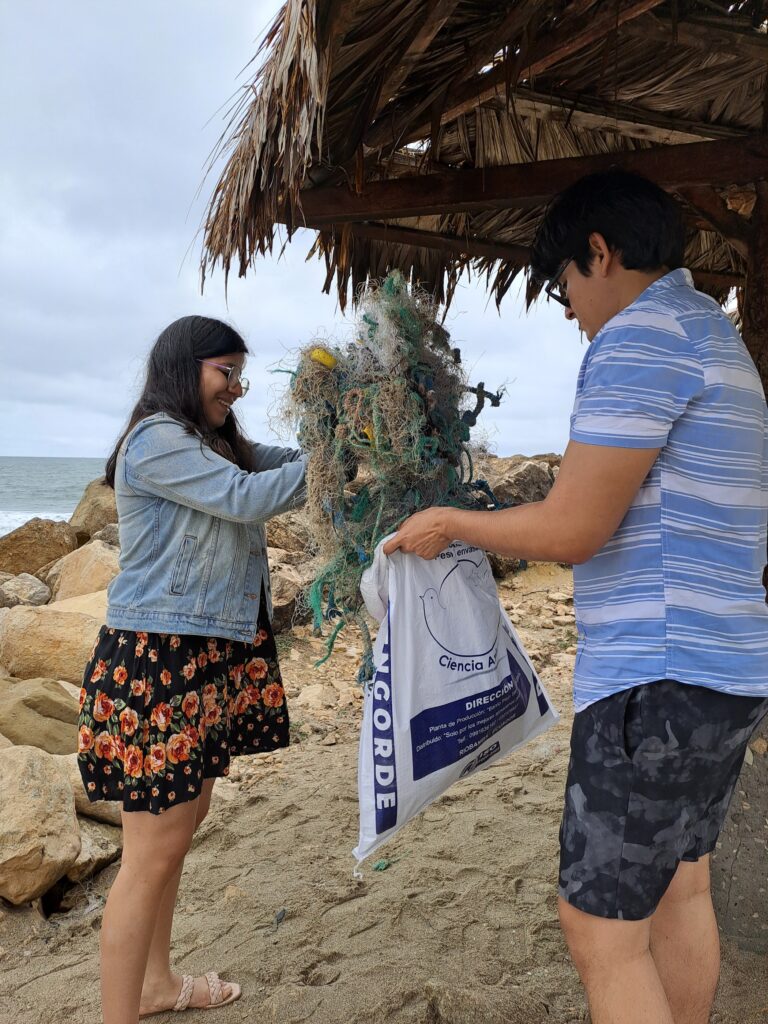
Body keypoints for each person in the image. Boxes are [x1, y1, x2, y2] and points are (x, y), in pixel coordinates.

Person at [384, 170, 768, 1024]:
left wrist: (454, 521)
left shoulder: (639, 338)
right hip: (727, 668)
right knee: (680, 890)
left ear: (601, 253)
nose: (566, 309)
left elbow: (574, 529)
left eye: (563, 283)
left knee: (599, 928)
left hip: (655, 678)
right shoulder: (714, 333)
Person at [77, 316, 307, 1023]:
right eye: (224, 372)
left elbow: (281, 460)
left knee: (179, 830)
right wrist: (330, 466)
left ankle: (155, 985)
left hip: (201, 657)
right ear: (185, 367)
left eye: (241, 375)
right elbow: (249, 498)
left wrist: (341, 435)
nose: (236, 388)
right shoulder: (155, 441)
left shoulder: (216, 440)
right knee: (149, 853)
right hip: (158, 663)